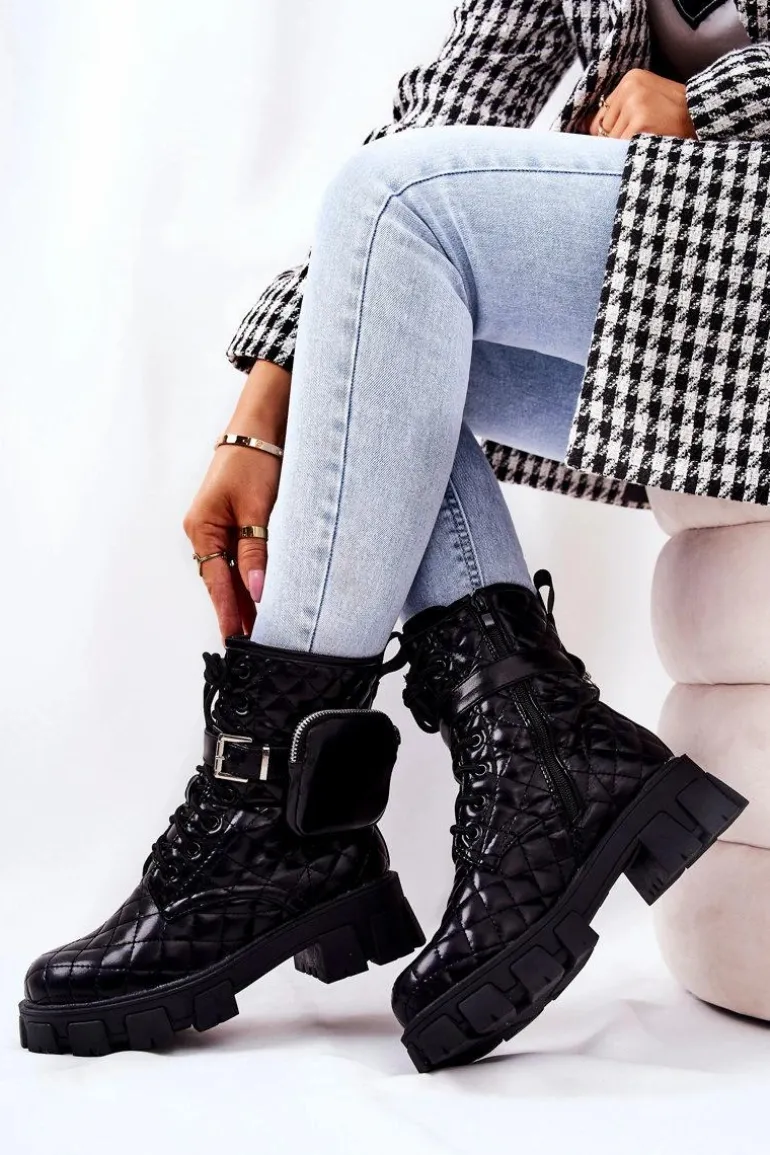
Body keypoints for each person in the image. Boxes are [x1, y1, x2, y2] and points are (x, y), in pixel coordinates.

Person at [20, 0, 762, 1071]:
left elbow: (403, 197)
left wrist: (715, 102)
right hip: (711, 298)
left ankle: (268, 811)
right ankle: (533, 745)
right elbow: (445, 112)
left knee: (404, 218)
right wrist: (261, 414)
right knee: (390, 318)